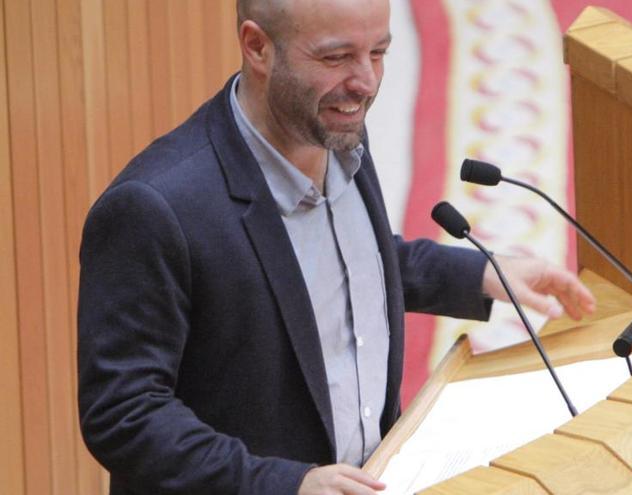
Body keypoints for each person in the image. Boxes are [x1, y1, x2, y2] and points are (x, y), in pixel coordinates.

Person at [77, 0, 596, 493]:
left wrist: (481, 274)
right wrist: (285, 485)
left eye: (379, 53)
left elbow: (348, 261)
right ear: (257, 47)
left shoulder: (334, 123)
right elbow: (124, 414)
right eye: (336, 56)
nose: (366, 84)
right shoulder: (154, 208)